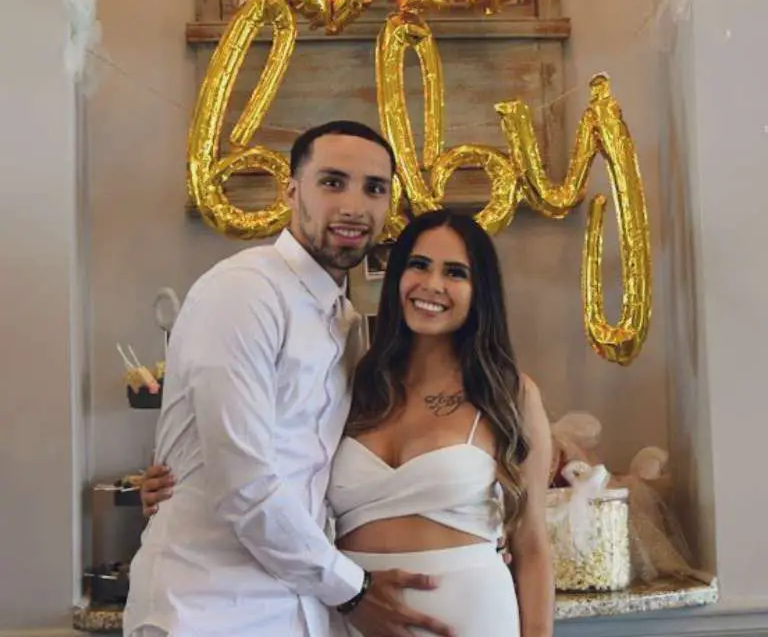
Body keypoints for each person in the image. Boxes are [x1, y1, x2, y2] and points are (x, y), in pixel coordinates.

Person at [143, 208, 555, 636]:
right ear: (396, 277)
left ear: (480, 291)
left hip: (472, 617)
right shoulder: (352, 379)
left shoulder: (510, 394)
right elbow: (255, 456)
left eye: (455, 272)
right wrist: (174, 484)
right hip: (353, 614)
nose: (432, 285)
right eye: (418, 265)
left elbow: (532, 546)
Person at [123, 121, 456, 637]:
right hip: (205, 608)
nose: (353, 205)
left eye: (374, 188)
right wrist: (353, 590)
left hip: (297, 611)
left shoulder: (344, 323)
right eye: (332, 182)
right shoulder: (243, 291)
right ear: (291, 191)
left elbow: (332, 473)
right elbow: (244, 482)